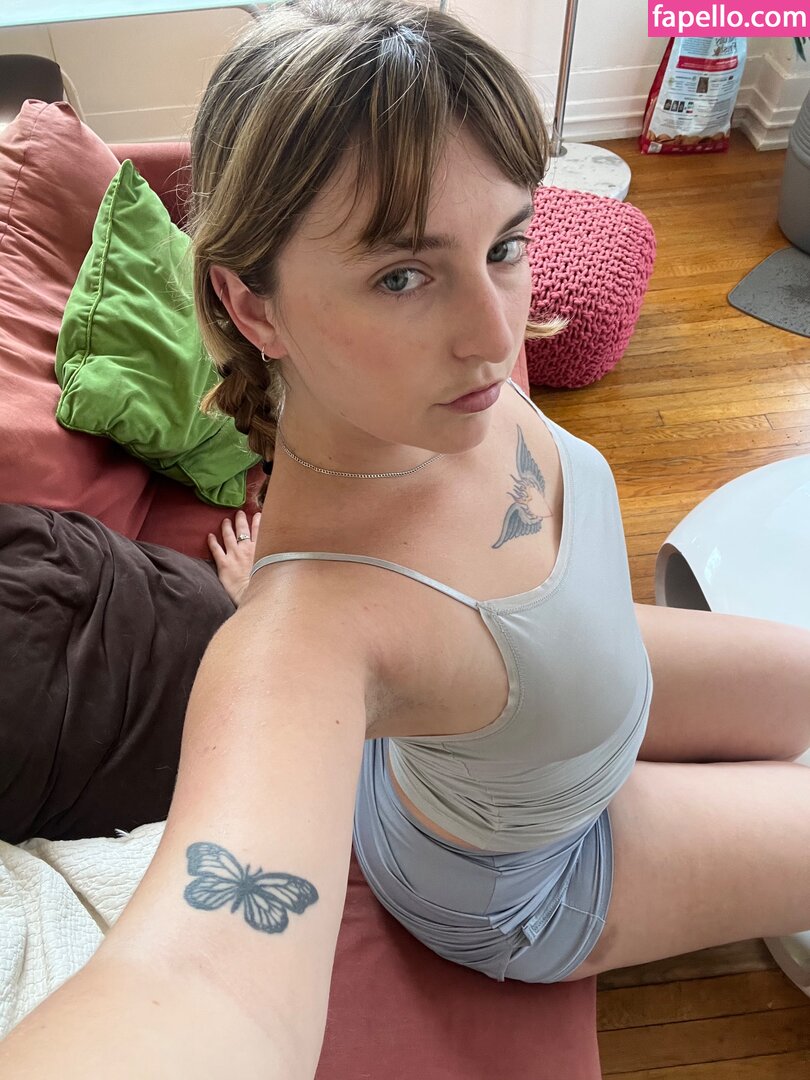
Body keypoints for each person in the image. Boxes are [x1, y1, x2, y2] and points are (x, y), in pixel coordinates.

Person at [2, 1, 810, 1075]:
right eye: (402, 275)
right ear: (255, 307)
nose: (496, 334)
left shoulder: (428, 385)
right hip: (530, 878)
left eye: (505, 243)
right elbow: (204, 981)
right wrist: (273, 617)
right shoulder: (306, 641)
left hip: (540, 697)